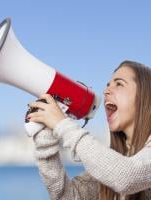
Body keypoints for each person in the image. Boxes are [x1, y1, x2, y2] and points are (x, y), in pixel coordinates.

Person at [27, 60, 151, 200]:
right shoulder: (112, 161)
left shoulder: (121, 168)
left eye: (119, 84)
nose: (106, 91)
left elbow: (126, 177)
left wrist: (62, 125)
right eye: (108, 85)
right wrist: (46, 138)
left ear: (144, 95)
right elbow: (67, 196)